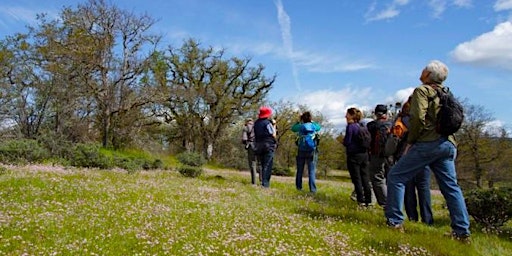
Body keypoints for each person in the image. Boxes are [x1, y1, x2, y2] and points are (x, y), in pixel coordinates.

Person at [385, 60, 471, 242]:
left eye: (424, 70)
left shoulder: (422, 91)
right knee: (451, 187)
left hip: (428, 143)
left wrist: (412, 140)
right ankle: (462, 232)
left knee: (396, 176)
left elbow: (417, 117)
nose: (421, 71)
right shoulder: (446, 93)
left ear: (428, 75)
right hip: (448, 144)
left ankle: (394, 222)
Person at [398, 98, 434, 225]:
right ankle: (427, 219)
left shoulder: (403, 119)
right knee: (424, 188)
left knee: (409, 188)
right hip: (424, 153)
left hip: (407, 153)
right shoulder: (427, 119)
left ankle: (413, 217)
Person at [343, 107, 372, 208]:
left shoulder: (350, 127)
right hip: (364, 155)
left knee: (357, 178)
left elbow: (347, 141)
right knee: (365, 177)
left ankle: (361, 199)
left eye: (347, 114)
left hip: (354, 155)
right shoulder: (362, 126)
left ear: (351, 115)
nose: (345, 116)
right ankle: (369, 199)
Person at [367, 104, 393, 208]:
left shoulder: (371, 126)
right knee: (391, 179)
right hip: (391, 155)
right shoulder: (391, 124)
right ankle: (394, 202)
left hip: (376, 155)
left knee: (377, 178)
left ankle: (385, 203)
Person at [291, 111, 321, 193]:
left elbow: (293, 128)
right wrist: (312, 121)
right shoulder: (313, 126)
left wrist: (299, 121)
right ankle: (313, 189)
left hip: (301, 149)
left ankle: (299, 187)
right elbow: (319, 127)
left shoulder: (300, 126)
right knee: (311, 170)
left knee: (299, 170)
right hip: (312, 150)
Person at [253, 106, 277, 188]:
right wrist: (274, 125)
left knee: (262, 165)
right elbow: (273, 134)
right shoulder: (267, 123)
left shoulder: (256, 123)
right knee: (267, 165)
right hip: (268, 146)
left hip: (258, 145)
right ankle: (265, 184)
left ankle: (262, 181)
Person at [242, 118, 261, 185]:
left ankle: (254, 182)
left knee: (252, 164)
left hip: (251, 145)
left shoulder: (246, 127)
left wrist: (245, 143)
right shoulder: (258, 126)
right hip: (259, 145)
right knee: (260, 163)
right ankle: (262, 181)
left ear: (247, 122)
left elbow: (244, 139)